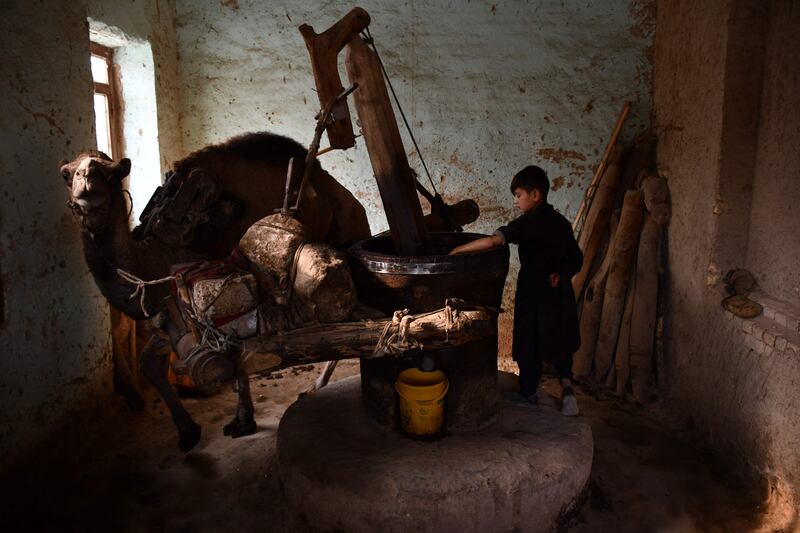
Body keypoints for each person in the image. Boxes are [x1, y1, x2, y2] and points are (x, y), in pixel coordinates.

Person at [450, 165, 583, 416]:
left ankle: (528, 393)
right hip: (557, 293)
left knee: (528, 341)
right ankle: (568, 393)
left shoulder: (526, 223)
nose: (516, 201)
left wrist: (457, 251)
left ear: (536, 195)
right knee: (560, 340)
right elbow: (576, 258)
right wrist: (561, 275)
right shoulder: (561, 223)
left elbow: (493, 240)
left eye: (519, 195)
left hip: (533, 293)